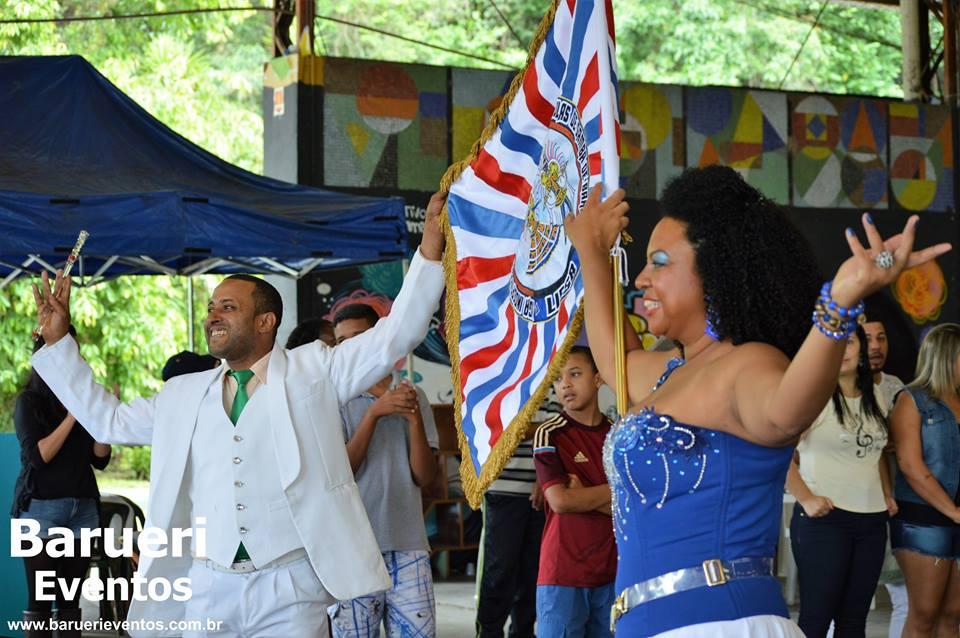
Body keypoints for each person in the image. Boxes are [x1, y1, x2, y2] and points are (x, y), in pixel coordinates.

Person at [27, 193, 448, 638]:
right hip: (209, 584)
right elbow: (107, 420)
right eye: (210, 307)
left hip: (291, 586)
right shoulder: (182, 395)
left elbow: (394, 336)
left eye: (228, 307)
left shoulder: (315, 370)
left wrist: (430, 252)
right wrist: (58, 344)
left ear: (266, 321)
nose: (212, 316)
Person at [565, 165, 949, 637]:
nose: (642, 278)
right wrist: (592, 252)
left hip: (720, 624)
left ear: (716, 271)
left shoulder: (749, 365)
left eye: (660, 261)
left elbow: (786, 411)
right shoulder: (667, 375)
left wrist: (841, 299)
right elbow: (615, 358)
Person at [327, 303, 440, 638]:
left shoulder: (413, 395)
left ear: (379, 338)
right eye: (342, 341)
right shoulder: (334, 400)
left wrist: (413, 417)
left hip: (409, 543)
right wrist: (374, 414)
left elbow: (425, 477)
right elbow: (342, 472)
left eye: (359, 338)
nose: (351, 348)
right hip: (354, 548)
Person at [786, 325, 895, 637]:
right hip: (825, 520)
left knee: (853, 621)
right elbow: (777, 455)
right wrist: (806, 498)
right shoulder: (814, 395)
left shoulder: (875, 394)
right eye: (833, 344)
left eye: (848, 342)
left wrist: (886, 492)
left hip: (872, 522)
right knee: (816, 620)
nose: (842, 350)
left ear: (860, 347)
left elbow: (875, 453)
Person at [12, 327, 112, 638]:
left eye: (74, 352)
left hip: (82, 509)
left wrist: (105, 420)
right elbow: (39, 456)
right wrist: (73, 415)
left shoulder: (83, 398)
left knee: (70, 599)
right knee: (41, 599)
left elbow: (100, 459)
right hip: (41, 510)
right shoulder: (29, 402)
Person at [533, 346, 615, 638]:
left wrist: (587, 496)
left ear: (598, 378)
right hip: (563, 573)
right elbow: (561, 501)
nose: (565, 384)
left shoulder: (619, 435)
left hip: (612, 572)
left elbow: (637, 508)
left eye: (575, 374)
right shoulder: (550, 433)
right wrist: (614, 493)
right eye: (557, 378)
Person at [889, 323, 960, 638]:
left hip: (956, 515)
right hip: (923, 517)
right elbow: (911, 466)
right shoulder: (912, 399)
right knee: (925, 613)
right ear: (946, 358)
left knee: (953, 613)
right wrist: (954, 512)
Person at [861, 315, 909, 638]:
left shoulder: (897, 388)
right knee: (851, 600)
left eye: (882, 338)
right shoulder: (836, 388)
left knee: (903, 595)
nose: (876, 347)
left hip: (894, 505)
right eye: (867, 339)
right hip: (852, 505)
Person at [475, 426, 544, 638]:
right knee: (499, 570)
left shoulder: (550, 392)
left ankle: (523, 632)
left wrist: (545, 476)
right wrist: (542, 429)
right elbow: (499, 425)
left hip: (542, 488)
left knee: (532, 572)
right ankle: (489, 633)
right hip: (502, 487)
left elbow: (559, 429)